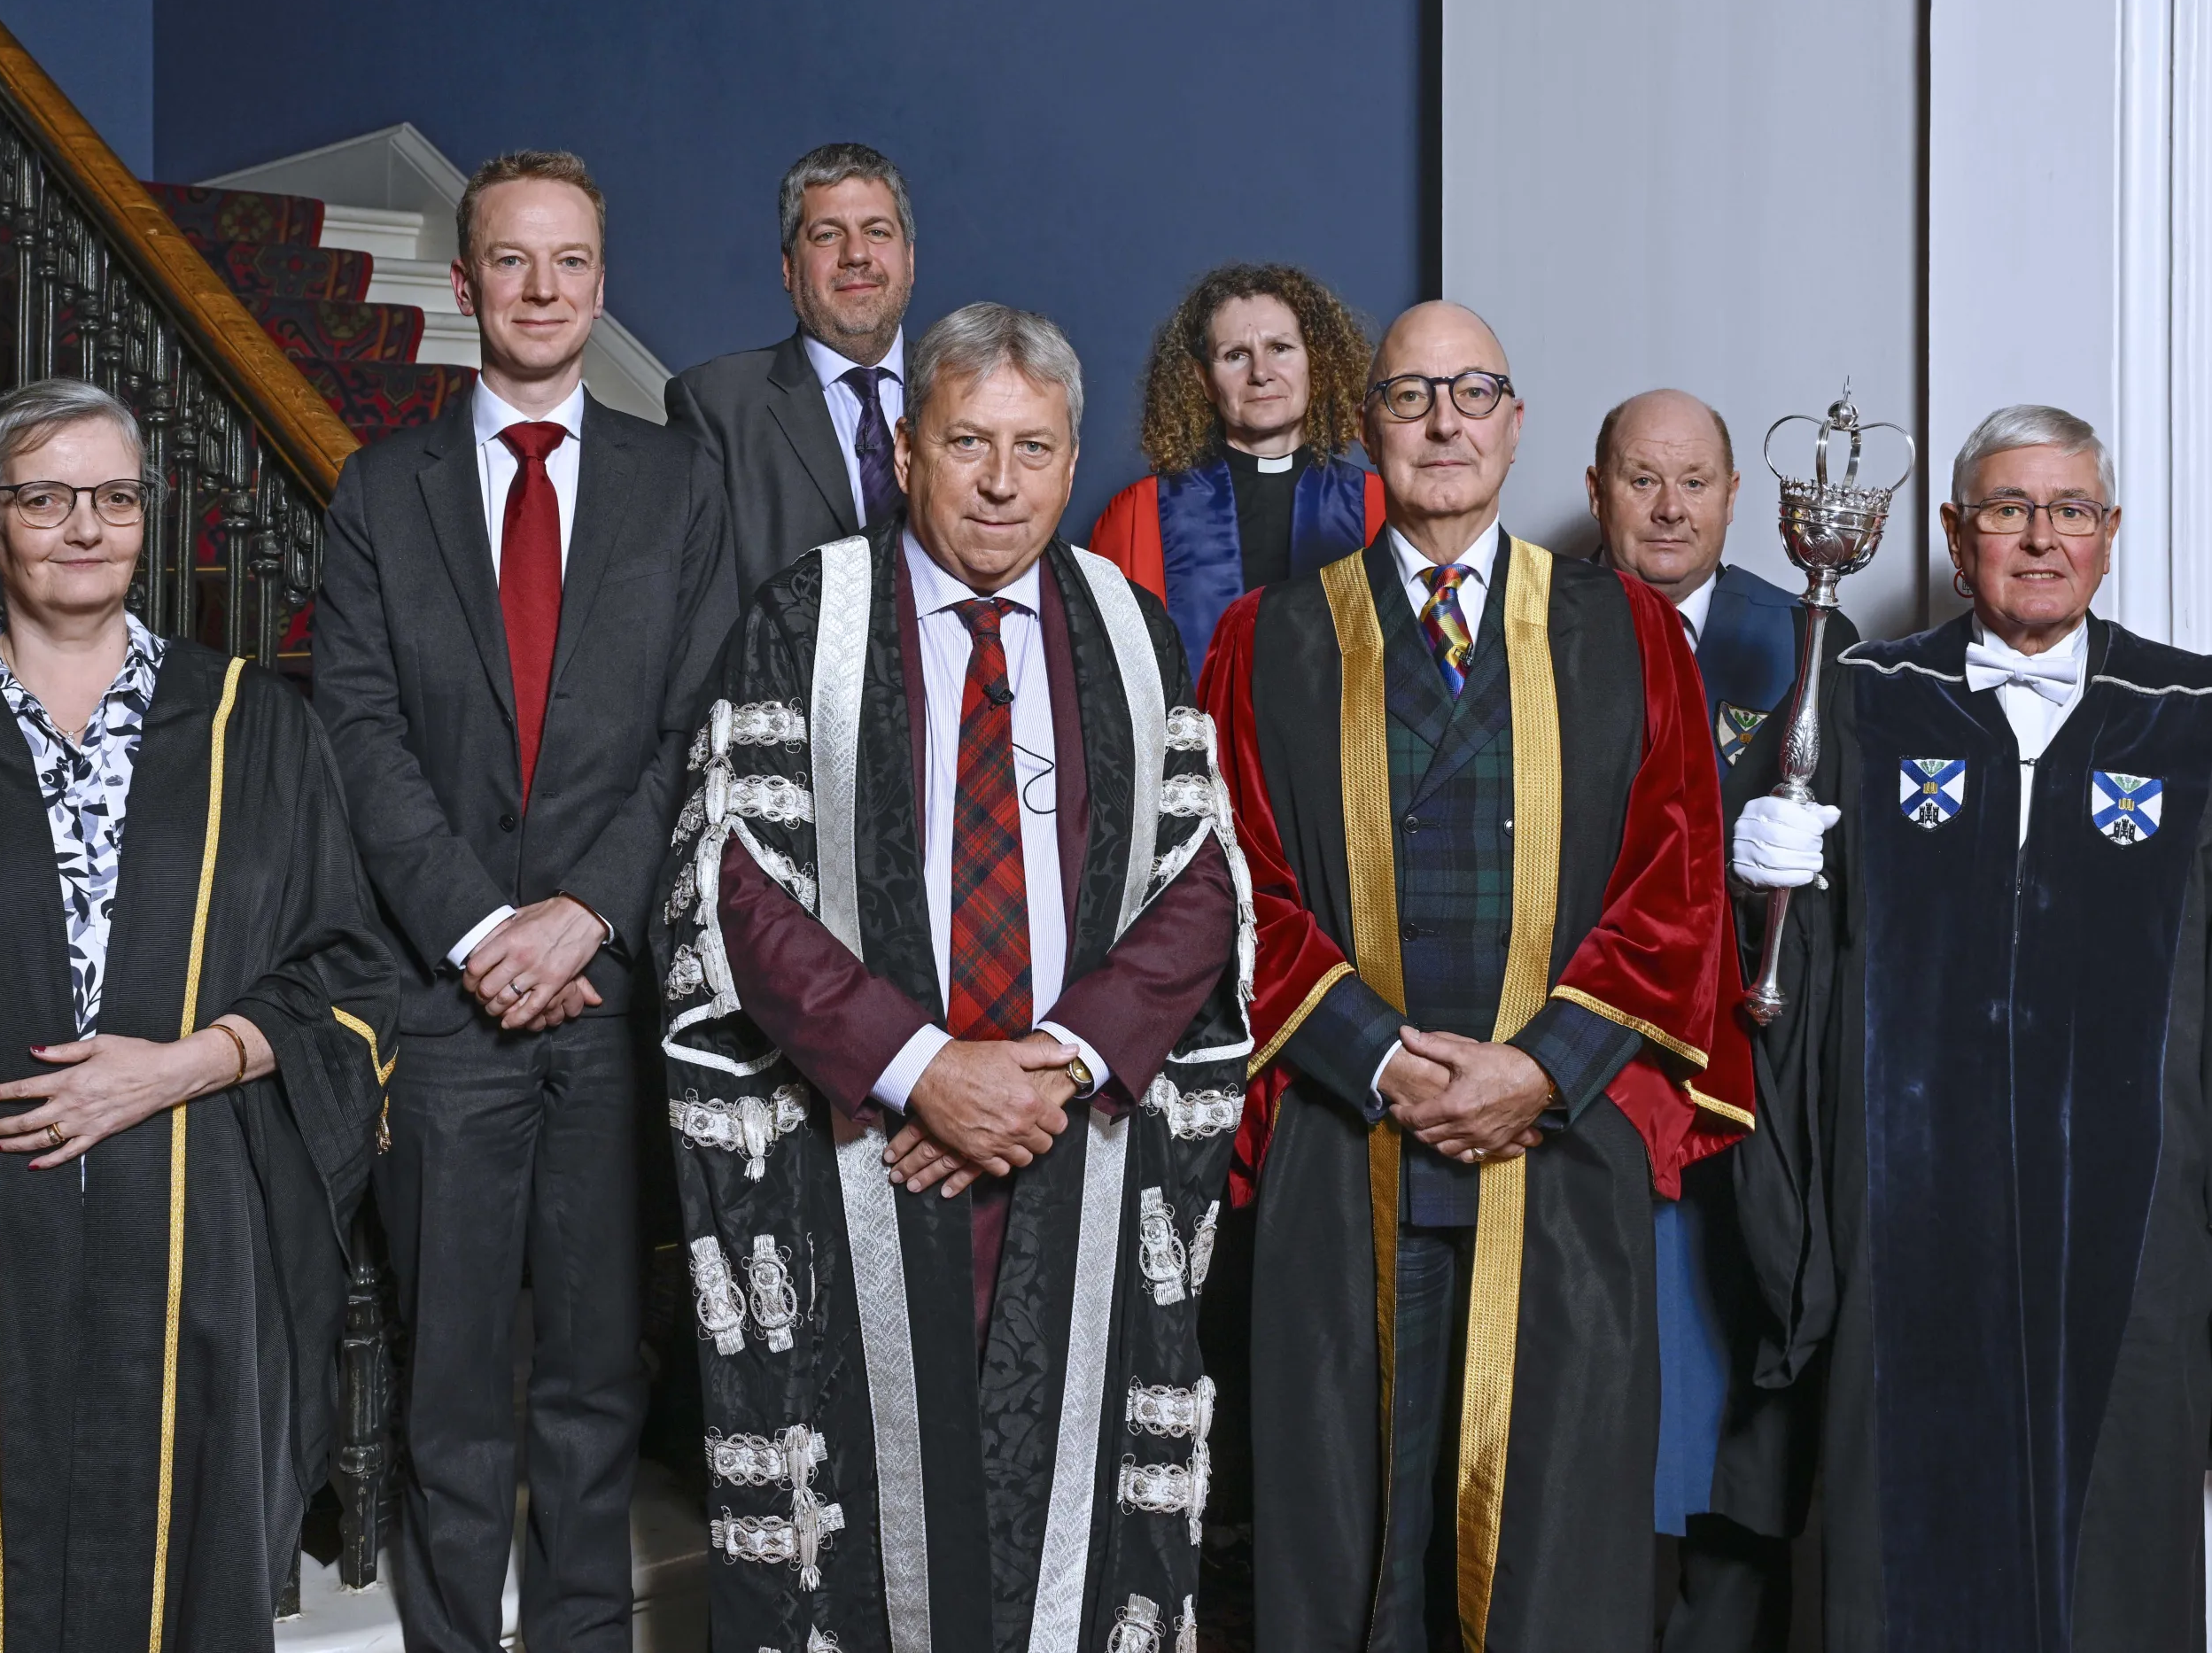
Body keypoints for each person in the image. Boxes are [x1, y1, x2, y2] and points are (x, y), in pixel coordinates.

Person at [0, 378, 400, 1651]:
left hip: (201, 1223)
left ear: (147, 520)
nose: (83, 526)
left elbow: (353, 980)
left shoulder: (253, 725)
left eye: (113, 497)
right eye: (44, 497)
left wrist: (180, 1067)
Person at [655, 303, 1248, 1652]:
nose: (999, 481)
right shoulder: (807, 614)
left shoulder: (1132, 626)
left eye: (1032, 448)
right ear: (908, 448)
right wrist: (925, 1071)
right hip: (864, 1140)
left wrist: (1049, 1069)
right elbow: (735, 877)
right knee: (873, 1496)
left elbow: (1200, 879)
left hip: (1072, 1137)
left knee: (1067, 1494)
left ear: (1071, 455)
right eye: (967, 441)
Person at [1728, 404, 2212, 1651]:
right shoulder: (1857, 705)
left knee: (2112, 1558)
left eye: (2071, 510)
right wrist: (1745, 882)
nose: (2041, 537)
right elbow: (1774, 985)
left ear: (2110, 535)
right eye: (2008, 510)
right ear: (1958, 537)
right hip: (1905, 1228)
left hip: (2142, 1233)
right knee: (1898, 1555)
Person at [1200, 302, 1756, 1649]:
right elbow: (1233, 886)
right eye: (1411, 396)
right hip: (1348, 1149)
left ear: (1516, 427)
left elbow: (1676, 879)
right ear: (1369, 429)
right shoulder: (1264, 638)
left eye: (1474, 393)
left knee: (1557, 1554)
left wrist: (1541, 1068)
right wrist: (1381, 1059)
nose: (1444, 421)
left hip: (1556, 1151)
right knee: (1346, 1547)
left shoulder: (1625, 635)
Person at [310, 150, 734, 1652]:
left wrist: (587, 916)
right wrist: (488, 931)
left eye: (571, 263)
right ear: (463, 281)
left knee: (595, 1382)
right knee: (454, 1380)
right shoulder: (381, 490)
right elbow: (356, 733)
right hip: (446, 1009)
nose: (544, 290)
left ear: (600, 282)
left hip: (614, 1001)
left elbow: (702, 728)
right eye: (513, 261)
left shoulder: (685, 485)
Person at [1589, 386, 1845, 1650]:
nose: (1670, 507)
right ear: (1599, 492)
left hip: (1752, 1088)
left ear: (1737, 496)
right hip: (1593, 1078)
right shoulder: (1545, 626)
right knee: (1594, 1422)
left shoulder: (1803, 643)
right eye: (1642, 479)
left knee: (1737, 1404)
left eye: (1694, 481)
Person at [1090, 262, 1385, 672]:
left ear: (1314, 363)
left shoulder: (1379, 509)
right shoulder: (1139, 516)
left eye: (1280, 348)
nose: (1261, 373)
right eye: (1235, 356)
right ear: (1205, 381)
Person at [666, 142, 918, 601]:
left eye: (878, 232)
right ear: (788, 268)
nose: (856, 254)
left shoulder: (968, 394)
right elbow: (695, 615)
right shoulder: (716, 406)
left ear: (910, 260)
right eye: (826, 235)